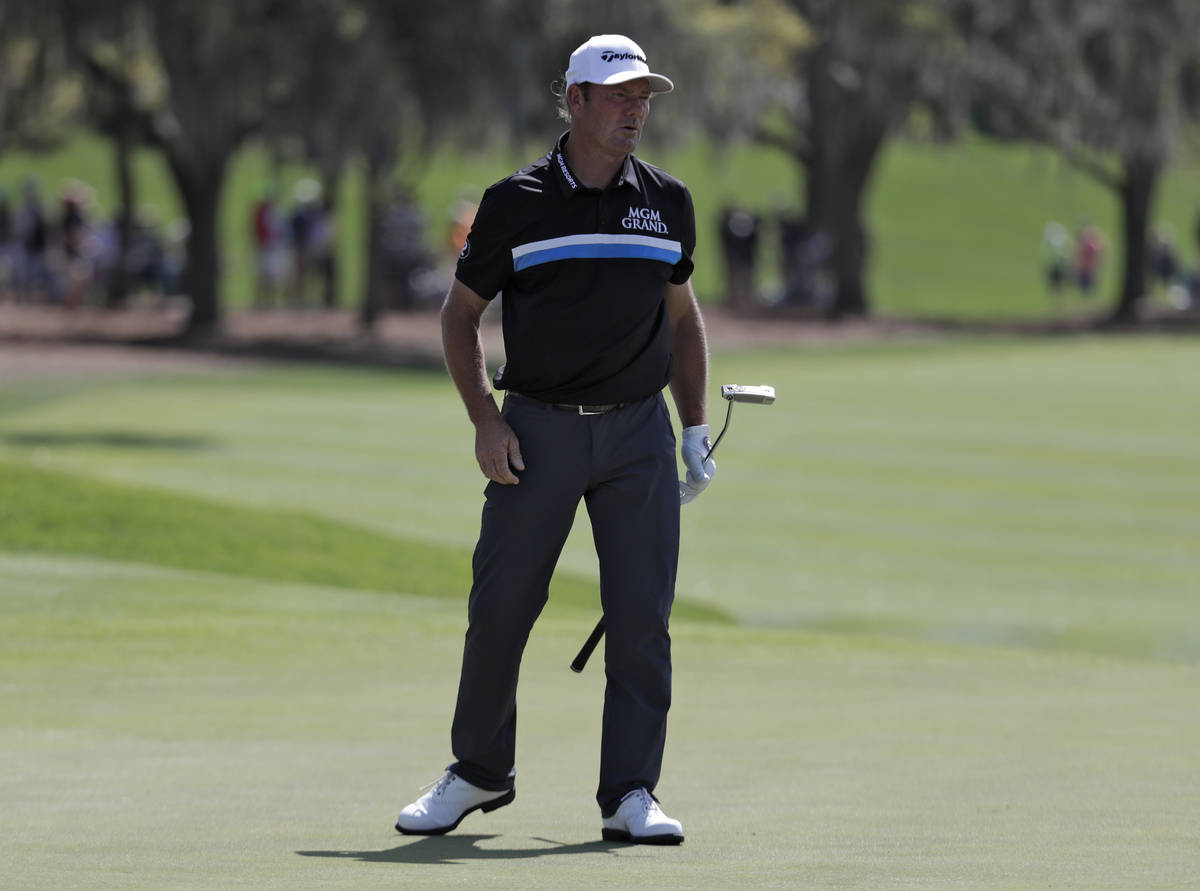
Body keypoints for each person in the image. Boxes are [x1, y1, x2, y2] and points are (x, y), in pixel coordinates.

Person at [395, 34, 712, 846]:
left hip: (639, 431)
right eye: (619, 96)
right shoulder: (516, 201)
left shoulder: (668, 202)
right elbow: (460, 315)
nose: (636, 110)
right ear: (573, 100)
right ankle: (477, 773)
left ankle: (631, 793)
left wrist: (696, 426)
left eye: (644, 97)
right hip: (535, 429)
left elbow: (684, 318)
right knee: (501, 606)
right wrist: (484, 420)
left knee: (641, 616)